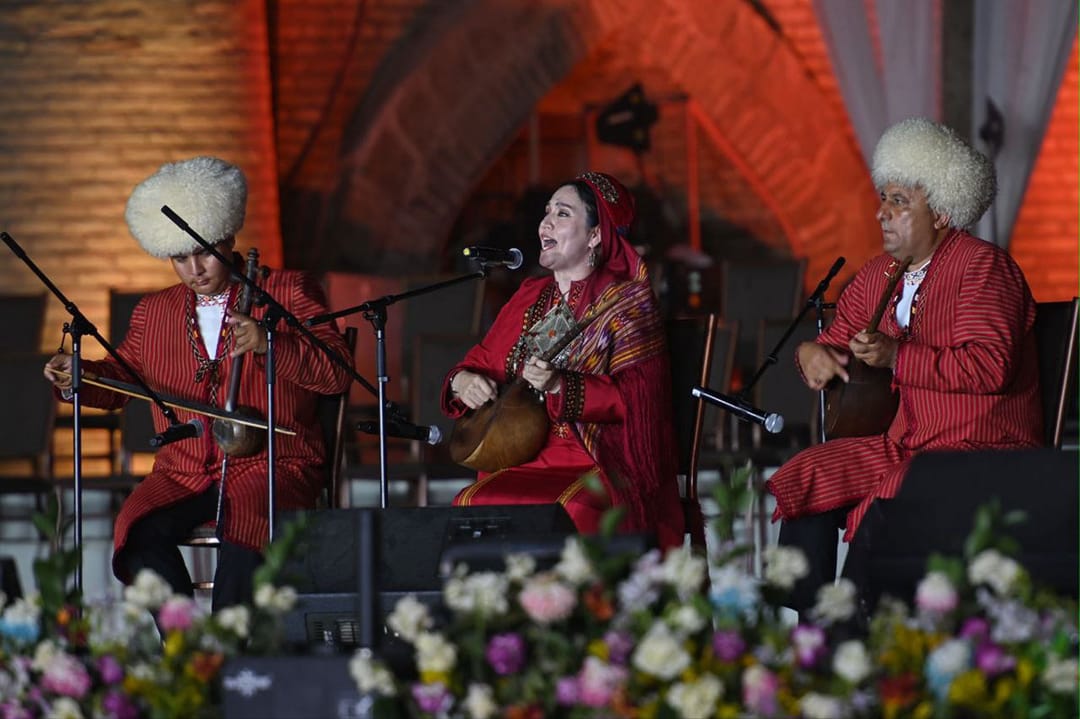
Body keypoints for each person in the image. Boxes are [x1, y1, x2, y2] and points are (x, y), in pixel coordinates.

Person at [43, 156, 353, 609]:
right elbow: (121, 379)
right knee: (139, 533)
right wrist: (78, 376)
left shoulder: (288, 291)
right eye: (179, 258)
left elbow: (337, 371)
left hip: (272, 465)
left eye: (204, 252)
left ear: (228, 238)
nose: (195, 269)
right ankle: (184, 649)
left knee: (247, 535)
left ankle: (235, 657)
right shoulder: (155, 311)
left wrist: (271, 343)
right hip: (183, 470)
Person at [765, 117, 1042, 611]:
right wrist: (812, 354)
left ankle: (856, 630)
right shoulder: (880, 274)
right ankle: (803, 631)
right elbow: (830, 344)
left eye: (899, 201)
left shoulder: (984, 267)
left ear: (939, 211)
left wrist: (898, 356)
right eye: (884, 198)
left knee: (895, 488)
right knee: (808, 473)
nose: (881, 213)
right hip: (907, 443)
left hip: (981, 446)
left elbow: (991, 368)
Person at [442, 171, 685, 548]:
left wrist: (560, 385)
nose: (546, 222)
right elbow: (478, 363)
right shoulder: (532, 295)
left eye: (563, 213)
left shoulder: (626, 304)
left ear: (595, 235)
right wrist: (463, 382)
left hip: (599, 461)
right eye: (547, 212)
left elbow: (637, 401)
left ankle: (574, 608)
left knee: (573, 509)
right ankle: (492, 608)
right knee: (471, 502)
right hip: (525, 453)